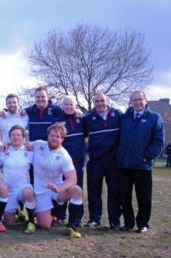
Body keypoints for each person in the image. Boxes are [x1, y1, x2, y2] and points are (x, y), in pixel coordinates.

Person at [117, 90, 164, 233]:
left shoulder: (154, 117)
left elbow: (159, 142)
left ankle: (143, 223)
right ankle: (128, 223)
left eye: (140, 99)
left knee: (144, 198)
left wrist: (146, 156)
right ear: (130, 101)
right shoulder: (124, 117)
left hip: (143, 166)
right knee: (124, 197)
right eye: (134, 100)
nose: (137, 102)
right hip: (124, 165)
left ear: (145, 100)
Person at [31, 122, 83, 238]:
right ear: (48, 136)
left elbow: (72, 178)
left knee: (77, 190)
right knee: (45, 225)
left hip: (57, 189)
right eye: (52, 135)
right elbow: (22, 144)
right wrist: (6, 144)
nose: (54, 138)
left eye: (58, 136)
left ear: (62, 139)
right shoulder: (38, 144)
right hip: (40, 190)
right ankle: (47, 214)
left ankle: (71, 226)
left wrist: (59, 188)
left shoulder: (64, 155)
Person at [83, 92, 123, 229]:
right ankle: (94, 219)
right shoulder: (88, 119)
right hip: (95, 161)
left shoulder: (118, 115)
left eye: (102, 100)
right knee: (94, 192)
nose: (100, 103)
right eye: (97, 101)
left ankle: (114, 221)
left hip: (113, 161)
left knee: (114, 192)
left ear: (107, 101)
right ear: (94, 103)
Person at [51, 96, 85, 226]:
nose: (69, 107)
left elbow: (86, 136)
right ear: (62, 106)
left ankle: (77, 218)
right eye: (66, 104)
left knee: (77, 189)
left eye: (71, 104)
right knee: (60, 188)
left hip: (77, 162)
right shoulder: (57, 121)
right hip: (61, 162)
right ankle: (59, 216)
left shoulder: (82, 119)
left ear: (75, 105)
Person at [0, 125, 35, 233]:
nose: (16, 137)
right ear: (9, 137)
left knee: (28, 193)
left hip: (23, 187)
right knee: (9, 222)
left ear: (23, 137)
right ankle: (18, 210)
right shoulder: (3, 151)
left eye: (19, 135)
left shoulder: (29, 151)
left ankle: (31, 221)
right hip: (9, 190)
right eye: (13, 135)